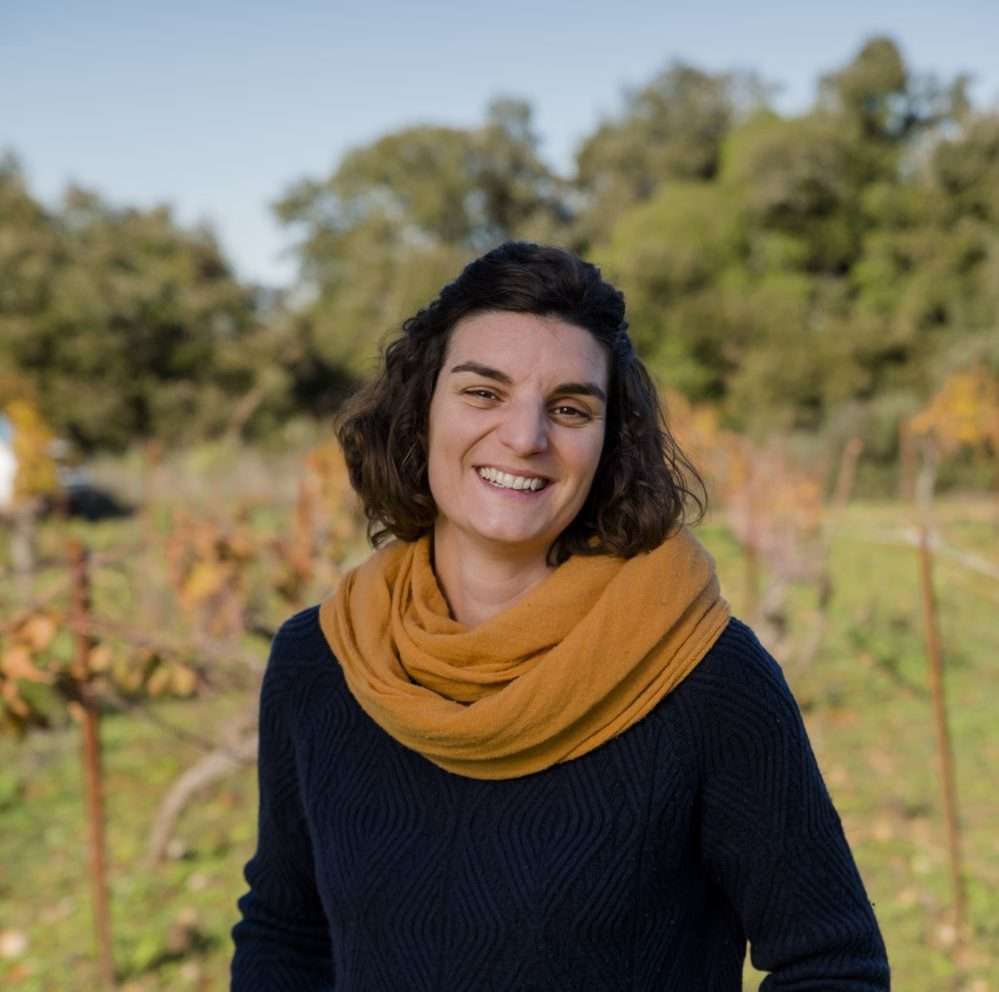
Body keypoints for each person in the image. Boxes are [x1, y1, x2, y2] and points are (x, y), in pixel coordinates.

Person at [230, 242, 890, 990]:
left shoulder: (706, 677)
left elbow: (832, 965)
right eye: (483, 393)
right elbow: (285, 932)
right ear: (420, 412)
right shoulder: (319, 663)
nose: (525, 437)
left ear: (609, 444)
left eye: (570, 408)